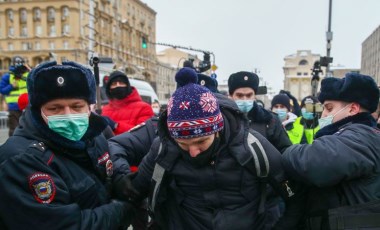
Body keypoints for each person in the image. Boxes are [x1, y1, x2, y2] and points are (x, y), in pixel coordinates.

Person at [124, 68, 302, 229]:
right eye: (183, 144)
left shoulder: (253, 146)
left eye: (201, 142)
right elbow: (133, 193)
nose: (193, 152)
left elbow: (293, 196)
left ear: (217, 131)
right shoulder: (164, 148)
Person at [0, 61, 136, 229]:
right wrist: (124, 209)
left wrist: (120, 179)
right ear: (38, 110)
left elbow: (105, 170)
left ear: (89, 107)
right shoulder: (20, 159)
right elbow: (65, 225)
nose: (68, 115)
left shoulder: (95, 135)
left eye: (76, 106)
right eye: (55, 108)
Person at [282, 73, 380, 229]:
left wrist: (285, 151)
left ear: (353, 109)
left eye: (329, 108)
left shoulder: (361, 137)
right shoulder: (352, 134)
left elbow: (312, 162)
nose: (324, 115)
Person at [228, 71, 292, 153]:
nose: (245, 100)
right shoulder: (224, 119)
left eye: (249, 95)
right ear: (230, 96)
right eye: (239, 95)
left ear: (254, 96)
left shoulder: (270, 120)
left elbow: (285, 150)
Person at [101, 70, 154, 135]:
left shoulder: (144, 108)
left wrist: (116, 126)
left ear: (127, 86)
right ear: (109, 89)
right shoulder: (105, 110)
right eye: (114, 84)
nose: (118, 86)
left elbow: (143, 134)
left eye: (121, 83)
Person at [0, 56, 30, 136]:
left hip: (28, 106)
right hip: (14, 107)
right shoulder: (8, 76)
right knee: (14, 129)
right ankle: (13, 146)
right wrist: (11, 86)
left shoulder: (28, 75)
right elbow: (2, 90)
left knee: (30, 129)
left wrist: (30, 70)